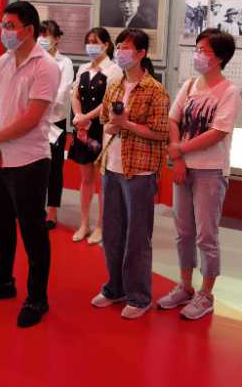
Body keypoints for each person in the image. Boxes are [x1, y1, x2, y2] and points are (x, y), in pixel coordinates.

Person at [0, 1, 60, 329]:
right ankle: (2, 280)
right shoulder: (5, 60)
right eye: (3, 25)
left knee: (33, 232)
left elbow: (32, 118)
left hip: (29, 161)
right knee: (0, 226)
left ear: (29, 30)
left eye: (10, 26)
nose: (4, 32)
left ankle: (37, 297)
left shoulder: (46, 66)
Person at [159, 29, 241, 320]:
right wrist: (178, 158)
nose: (197, 55)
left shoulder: (229, 91)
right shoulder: (190, 85)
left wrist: (180, 149)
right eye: (197, 48)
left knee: (206, 234)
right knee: (183, 232)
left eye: (203, 50)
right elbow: (173, 119)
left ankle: (206, 293)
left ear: (219, 57)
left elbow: (217, 132)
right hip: (184, 167)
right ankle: (185, 285)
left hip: (210, 171)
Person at [90, 29, 169, 320]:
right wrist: (113, 124)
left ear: (141, 53)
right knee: (112, 234)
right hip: (111, 166)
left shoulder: (155, 90)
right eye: (119, 46)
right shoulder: (114, 84)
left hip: (140, 171)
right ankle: (115, 287)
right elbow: (104, 120)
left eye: (127, 47)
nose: (121, 52)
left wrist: (127, 124)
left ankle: (139, 296)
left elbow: (161, 132)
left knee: (137, 237)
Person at [67, 27, 122, 244]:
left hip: (101, 129)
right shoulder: (83, 68)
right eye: (88, 41)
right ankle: (84, 223)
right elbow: (75, 94)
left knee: (103, 180)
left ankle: (101, 225)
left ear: (106, 45)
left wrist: (87, 117)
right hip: (82, 128)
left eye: (95, 42)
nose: (91, 45)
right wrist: (79, 116)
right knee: (86, 178)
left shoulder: (114, 70)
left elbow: (108, 102)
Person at [37, 20, 74, 230]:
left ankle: (52, 210)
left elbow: (62, 92)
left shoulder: (64, 63)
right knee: (34, 165)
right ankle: (36, 206)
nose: (42, 39)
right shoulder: (34, 59)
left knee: (54, 168)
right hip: (33, 121)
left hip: (54, 121)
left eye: (47, 35)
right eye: (40, 35)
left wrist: (40, 105)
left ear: (57, 38)